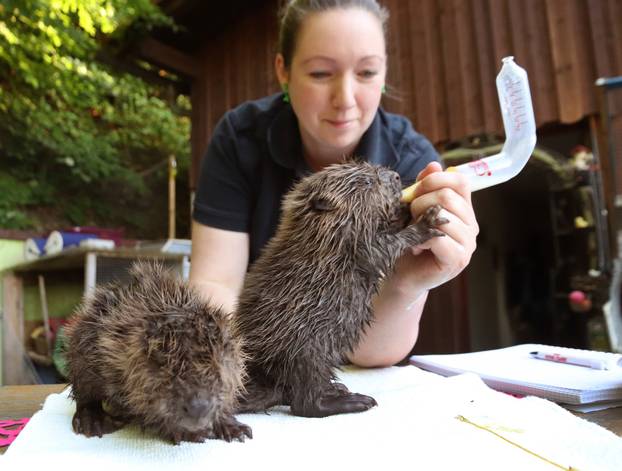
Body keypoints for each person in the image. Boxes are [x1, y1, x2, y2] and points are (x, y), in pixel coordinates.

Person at [190, 0, 478, 367]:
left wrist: (407, 284)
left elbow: (369, 352)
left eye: (367, 72)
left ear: (385, 68)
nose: (344, 100)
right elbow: (215, 284)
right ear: (284, 70)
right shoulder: (240, 139)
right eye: (321, 73)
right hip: (244, 350)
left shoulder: (410, 162)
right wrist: (230, 366)